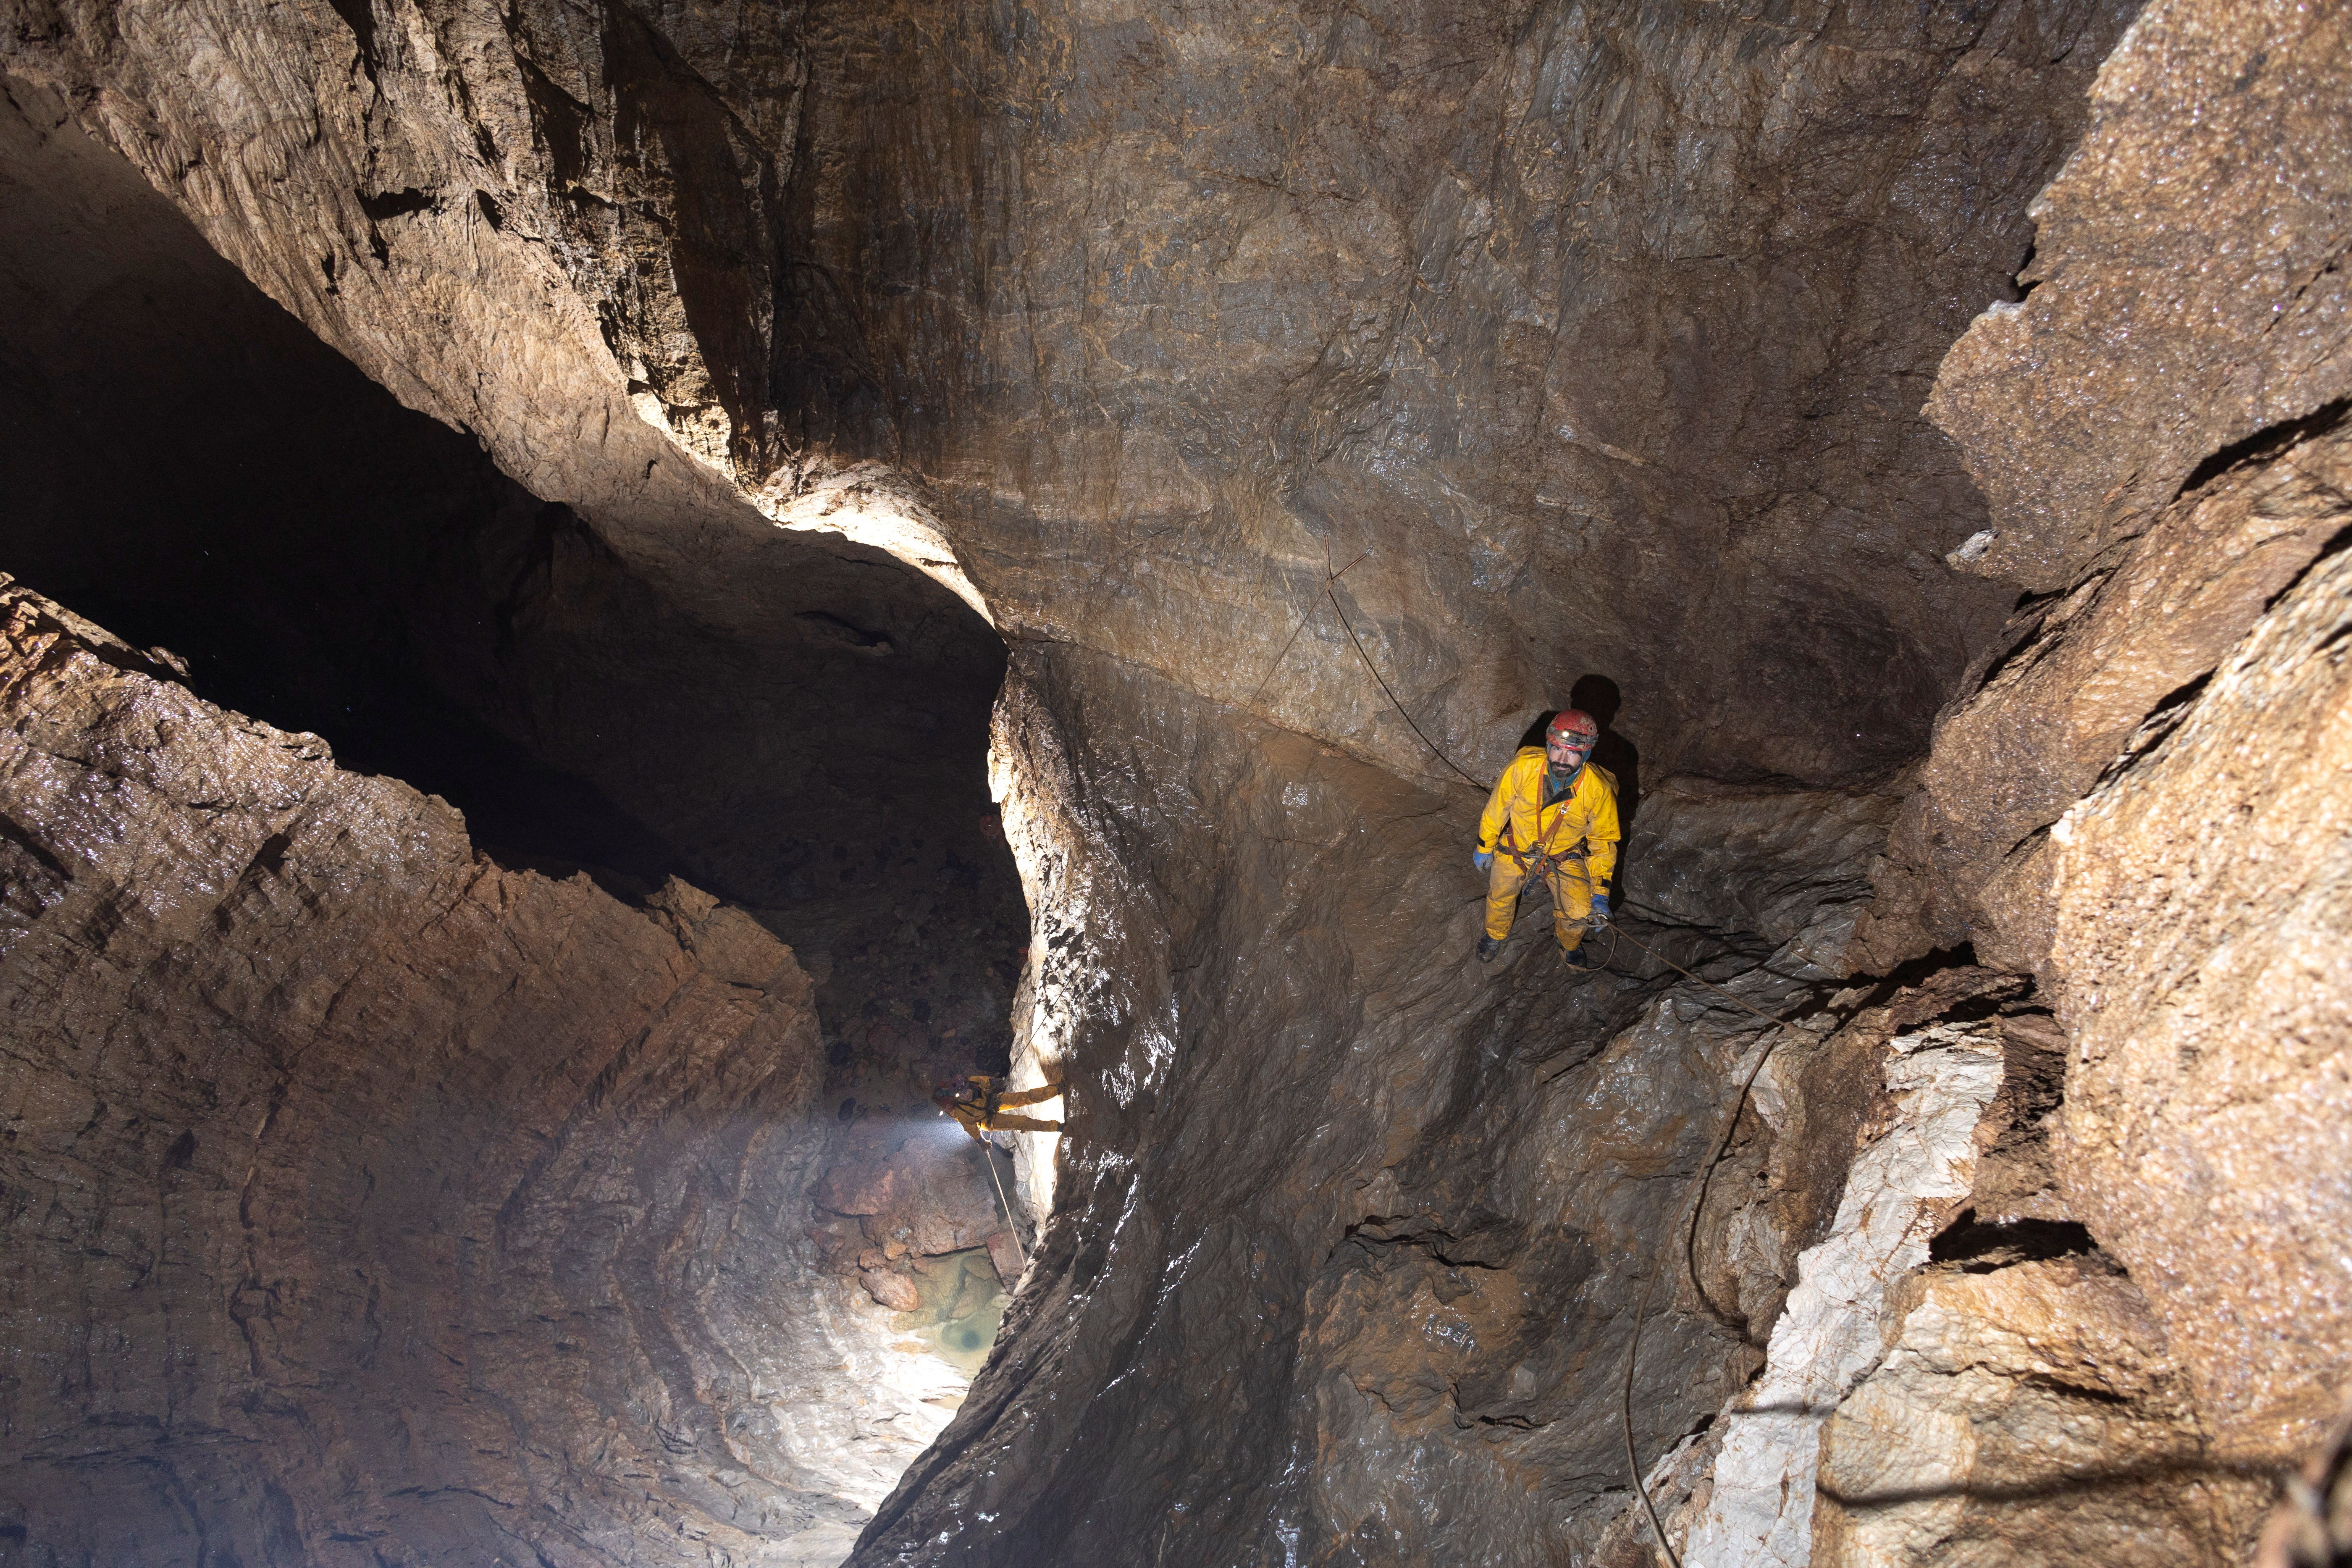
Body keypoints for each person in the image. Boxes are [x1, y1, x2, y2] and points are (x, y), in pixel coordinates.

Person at [1473, 708, 1621, 967]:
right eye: (1557, 749)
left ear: (1585, 754)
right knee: (1501, 892)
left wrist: (1600, 892)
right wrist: (1485, 845)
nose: (1562, 759)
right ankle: (1495, 934)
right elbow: (1497, 809)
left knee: (1579, 910)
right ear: (1548, 745)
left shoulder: (1599, 790)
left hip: (1564, 854)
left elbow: (1604, 843)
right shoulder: (1523, 768)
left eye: (1573, 753)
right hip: (1517, 845)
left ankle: (1568, 944)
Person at [932, 1075, 1063, 1144]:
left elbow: (986, 1081)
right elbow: (972, 1130)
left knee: (1023, 1097)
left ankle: (1057, 1089)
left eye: (965, 1092)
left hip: (990, 1102)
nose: (965, 1096)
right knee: (1022, 1122)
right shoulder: (961, 1112)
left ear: (968, 1086)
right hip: (986, 1120)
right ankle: (1057, 1127)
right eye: (961, 1095)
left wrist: (995, 1082)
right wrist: (982, 1142)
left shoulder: (973, 1081)